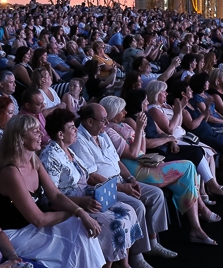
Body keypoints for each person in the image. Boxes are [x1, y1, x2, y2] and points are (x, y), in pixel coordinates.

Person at [99, 97, 219, 245]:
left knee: (188, 175)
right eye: (121, 110)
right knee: (188, 166)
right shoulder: (109, 131)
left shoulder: (124, 124)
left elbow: (142, 151)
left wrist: (141, 131)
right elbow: (133, 154)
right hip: (133, 169)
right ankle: (198, 220)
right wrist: (138, 129)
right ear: (113, 112)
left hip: (144, 162)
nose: (125, 112)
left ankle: (196, 228)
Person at [70, 103, 178, 268]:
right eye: (103, 120)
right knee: (137, 206)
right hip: (103, 188)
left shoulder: (102, 134)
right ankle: (137, 255)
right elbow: (91, 177)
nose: (107, 124)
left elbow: (117, 161)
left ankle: (153, 243)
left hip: (120, 181)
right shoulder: (79, 141)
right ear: (90, 122)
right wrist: (121, 187)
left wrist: (130, 179)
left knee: (156, 194)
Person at [0, 115, 106, 268]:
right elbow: (38, 219)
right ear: (20, 138)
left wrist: (80, 213)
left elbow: (55, 194)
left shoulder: (34, 160)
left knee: (79, 227)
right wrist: (78, 212)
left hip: (34, 228)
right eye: (35, 131)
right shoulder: (11, 173)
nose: (41, 135)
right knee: (75, 233)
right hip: (17, 234)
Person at [41, 108, 142, 266]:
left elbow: (86, 177)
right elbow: (52, 196)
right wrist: (81, 203)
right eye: (72, 128)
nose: (76, 130)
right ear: (60, 134)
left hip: (88, 197)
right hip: (71, 205)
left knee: (129, 211)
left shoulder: (68, 151)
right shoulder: (50, 156)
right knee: (113, 223)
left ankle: (124, 264)